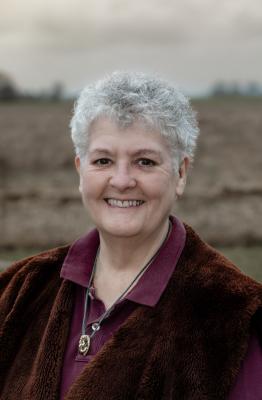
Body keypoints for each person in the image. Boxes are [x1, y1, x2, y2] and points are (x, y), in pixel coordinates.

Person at [0, 71, 261, 400]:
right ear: (81, 170)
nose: (122, 180)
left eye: (145, 162)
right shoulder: (20, 290)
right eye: (104, 160)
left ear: (180, 173)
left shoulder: (233, 314)